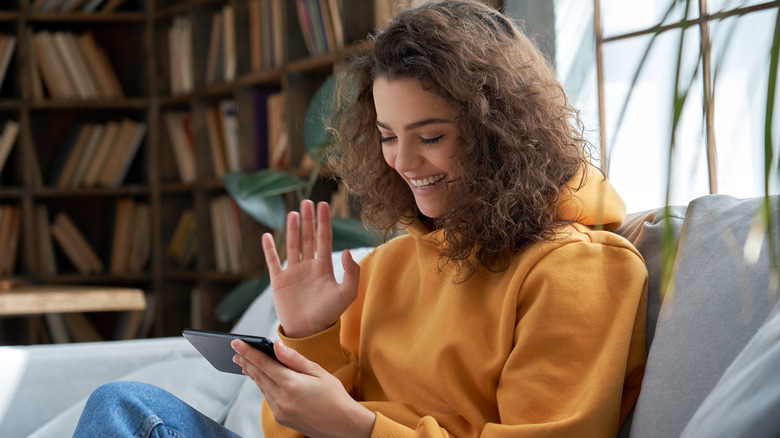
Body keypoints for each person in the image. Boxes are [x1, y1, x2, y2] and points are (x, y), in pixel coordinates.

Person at [74, 1, 647, 437]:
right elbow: (293, 430)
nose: (403, 161)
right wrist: (309, 335)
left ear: (505, 131)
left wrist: (358, 427)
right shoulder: (393, 262)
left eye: (432, 136)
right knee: (124, 405)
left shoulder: (580, 269)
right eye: (387, 136)